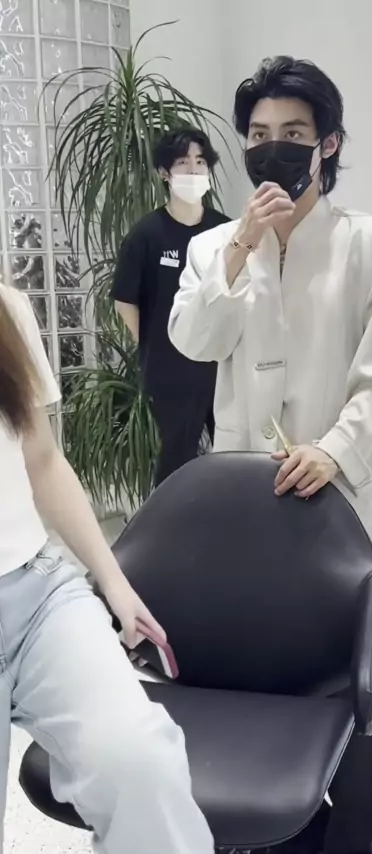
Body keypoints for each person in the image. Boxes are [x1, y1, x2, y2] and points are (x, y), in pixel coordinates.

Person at [169, 56, 372, 854]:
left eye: (294, 133)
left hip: (340, 496)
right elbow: (194, 339)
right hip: (246, 499)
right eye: (258, 134)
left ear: (327, 144)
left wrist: (334, 451)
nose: (272, 148)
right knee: (261, 658)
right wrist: (240, 249)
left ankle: (368, 833)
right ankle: (275, 830)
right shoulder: (215, 248)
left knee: (352, 674)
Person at [0, 280, 214, 854]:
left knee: (141, 764)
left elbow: (42, 459)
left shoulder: (6, 308)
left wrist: (114, 584)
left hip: (37, 595)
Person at [112, 127, 230, 486]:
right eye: (183, 163)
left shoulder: (225, 231)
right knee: (177, 457)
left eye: (200, 162)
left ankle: (231, 516)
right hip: (172, 369)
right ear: (164, 173)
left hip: (222, 364)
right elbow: (125, 301)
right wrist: (155, 345)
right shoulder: (146, 235)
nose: (193, 170)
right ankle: (169, 521)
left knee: (233, 454)